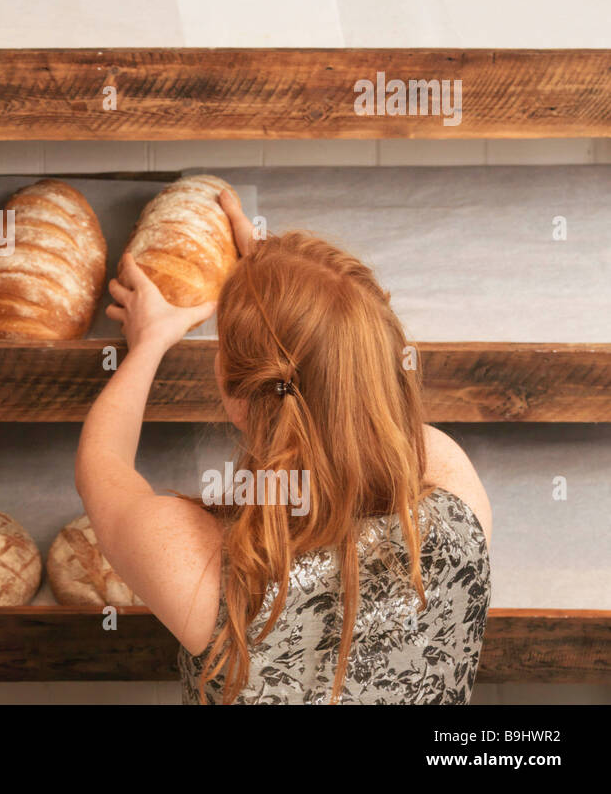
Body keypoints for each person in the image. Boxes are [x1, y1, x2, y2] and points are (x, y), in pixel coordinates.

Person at [76, 189, 492, 704]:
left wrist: (150, 341)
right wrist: (287, 286)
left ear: (235, 392)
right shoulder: (457, 508)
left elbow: (103, 462)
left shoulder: (208, 568)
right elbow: (355, 361)